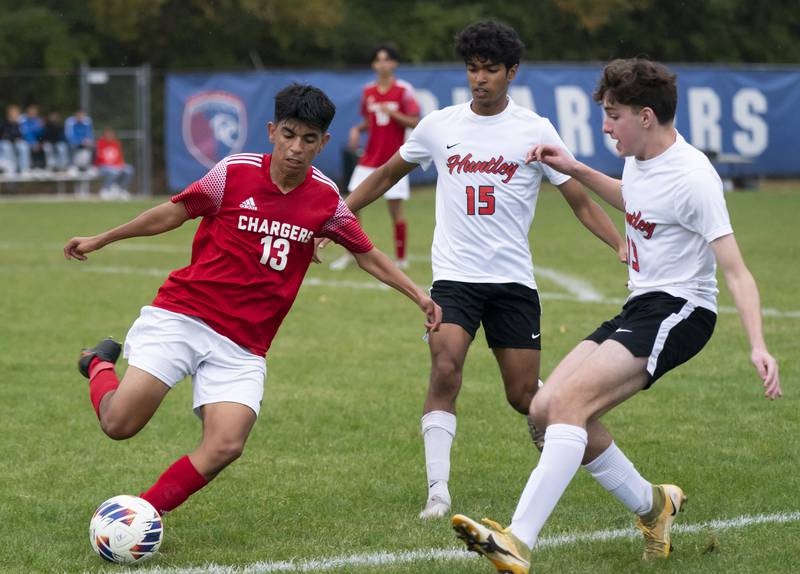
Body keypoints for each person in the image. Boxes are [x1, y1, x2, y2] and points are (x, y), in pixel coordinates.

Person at [451, 57, 782, 573]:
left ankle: (518, 539)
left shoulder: (696, 178)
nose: (605, 127)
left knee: (569, 407)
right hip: (641, 305)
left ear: (645, 116)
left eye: (613, 115)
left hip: (681, 310)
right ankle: (655, 506)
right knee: (542, 409)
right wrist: (578, 169)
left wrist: (759, 344)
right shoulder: (639, 158)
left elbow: (736, 271)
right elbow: (635, 201)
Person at [63, 83, 441, 519]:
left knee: (226, 444)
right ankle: (98, 364)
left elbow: (367, 255)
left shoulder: (327, 201)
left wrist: (418, 295)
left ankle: (139, 516)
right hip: (183, 316)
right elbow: (172, 212)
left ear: (324, 143)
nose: (296, 148)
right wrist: (102, 238)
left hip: (244, 346)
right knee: (119, 425)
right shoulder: (233, 173)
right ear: (271, 131)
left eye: (309, 139)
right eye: (288, 134)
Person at [324, 21, 625, 520]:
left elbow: (578, 199)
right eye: (472, 68)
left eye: (490, 70)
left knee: (524, 396)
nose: (479, 78)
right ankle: (437, 492)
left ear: (512, 72)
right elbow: (384, 175)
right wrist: (338, 214)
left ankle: (570, 431)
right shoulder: (439, 126)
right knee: (445, 369)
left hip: (512, 284)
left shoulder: (536, 129)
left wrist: (618, 243)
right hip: (454, 280)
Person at [329, 43, 421, 271]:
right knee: (350, 205)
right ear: (373, 64)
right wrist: (357, 130)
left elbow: (416, 121)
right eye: (378, 59)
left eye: (387, 59)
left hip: (394, 161)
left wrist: (395, 114)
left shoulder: (403, 90)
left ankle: (401, 258)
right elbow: (371, 121)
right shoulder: (368, 92)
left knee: (395, 210)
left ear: (394, 63)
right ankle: (351, 254)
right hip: (369, 159)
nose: (383, 64)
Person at [95, 127, 135, 199]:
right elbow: (99, 158)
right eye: (108, 134)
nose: (110, 136)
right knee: (113, 171)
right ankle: (105, 190)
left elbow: (119, 157)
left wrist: (119, 165)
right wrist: (113, 165)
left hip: (116, 165)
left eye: (111, 134)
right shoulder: (100, 143)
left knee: (129, 170)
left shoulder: (116, 143)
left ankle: (122, 190)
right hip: (103, 166)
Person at [0, 105, 31, 175]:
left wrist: (19, 139)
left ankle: (24, 169)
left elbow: (22, 135)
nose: (14, 115)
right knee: (6, 147)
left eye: (16, 114)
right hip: (5, 142)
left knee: (24, 146)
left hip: (16, 142)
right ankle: (9, 169)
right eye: (13, 113)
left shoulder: (19, 124)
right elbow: (3, 135)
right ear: (9, 114)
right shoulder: (4, 123)